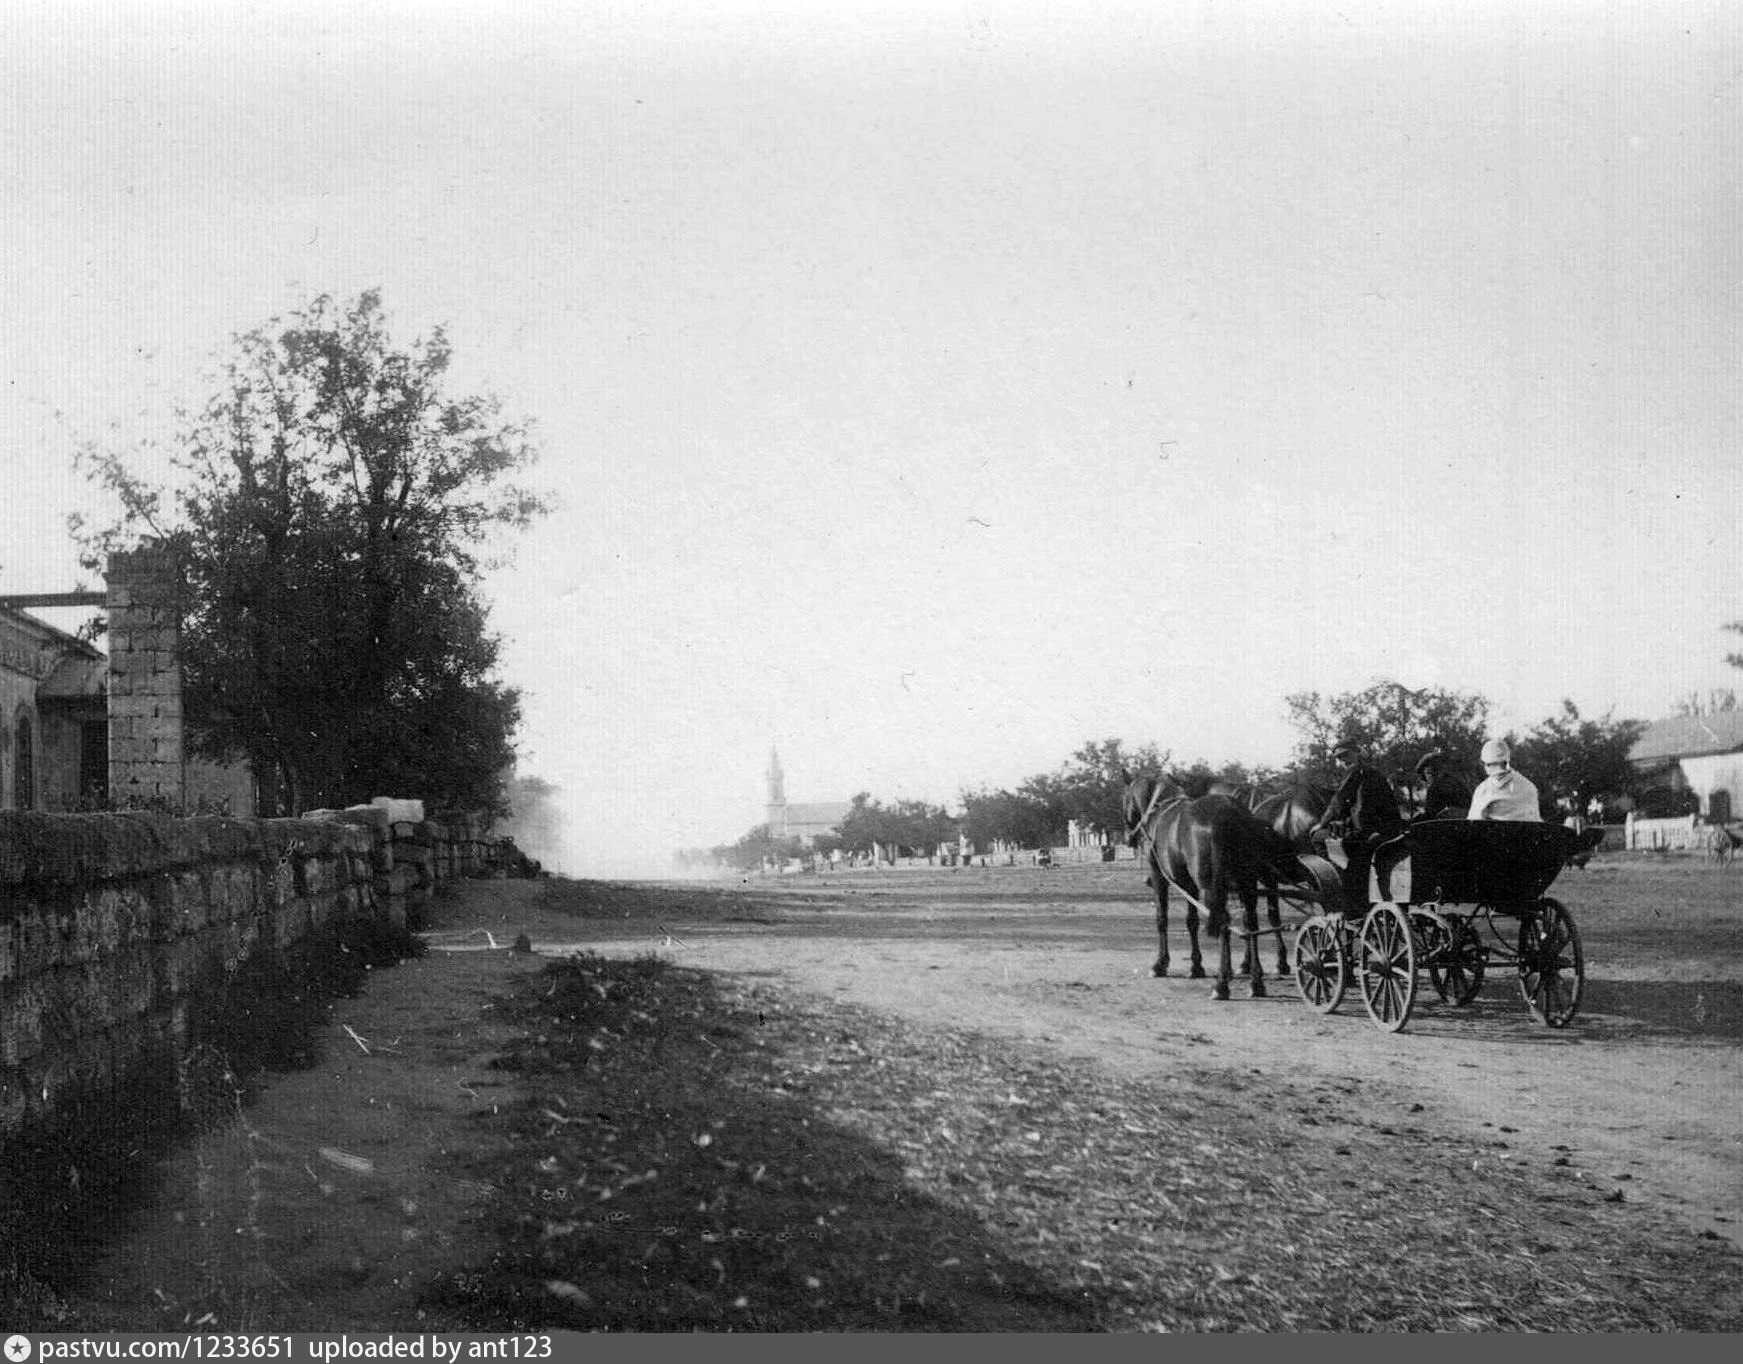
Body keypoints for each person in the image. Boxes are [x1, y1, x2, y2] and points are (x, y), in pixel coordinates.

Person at [1308, 739, 1403, 908]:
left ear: (1357, 752)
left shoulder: (1356, 772)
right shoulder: (1375, 773)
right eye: (1339, 758)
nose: (1343, 760)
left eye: (1346, 755)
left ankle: (1339, 883)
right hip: (1389, 830)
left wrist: (1322, 824)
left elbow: (1338, 801)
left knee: (1317, 837)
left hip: (1367, 833)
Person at [1467, 738, 1542, 821]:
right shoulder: (1529, 786)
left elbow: (1473, 823)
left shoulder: (1484, 789)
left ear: (1487, 764)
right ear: (1507, 760)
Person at [1414, 750, 1472, 820]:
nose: (1425, 779)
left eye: (1426, 774)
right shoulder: (1459, 785)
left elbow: (1430, 816)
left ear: (1431, 772)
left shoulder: (1435, 788)